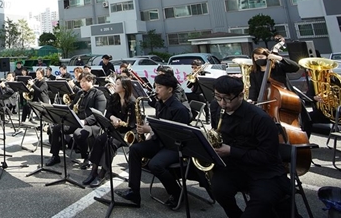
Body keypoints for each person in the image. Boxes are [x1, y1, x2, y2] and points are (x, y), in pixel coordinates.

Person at [210, 75, 293, 217]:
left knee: (260, 204)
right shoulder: (215, 107)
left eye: (227, 99)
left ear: (241, 95)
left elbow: (267, 156)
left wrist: (231, 151)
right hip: (235, 167)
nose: (222, 104)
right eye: (218, 97)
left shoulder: (260, 119)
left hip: (265, 171)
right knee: (218, 189)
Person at [115, 73, 191, 208]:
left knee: (155, 164)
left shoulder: (179, 110)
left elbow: (177, 136)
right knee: (134, 149)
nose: (156, 90)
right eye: (155, 86)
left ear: (170, 90)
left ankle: (177, 193)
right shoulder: (160, 103)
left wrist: (149, 130)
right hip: (161, 142)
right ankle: (134, 191)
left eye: (159, 87)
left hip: (175, 147)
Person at [83, 76, 136, 186]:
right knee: (99, 140)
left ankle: (103, 173)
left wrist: (120, 123)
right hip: (114, 127)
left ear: (124, 87)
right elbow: (108, 113)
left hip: (126, 132)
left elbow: (132, 124)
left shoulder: (132, 102)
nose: (114, 86)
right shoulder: (114, 97)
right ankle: (94, 170)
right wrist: (114, 119)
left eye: (117, 84)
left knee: (110, 144)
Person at [46, 73, 107, 169]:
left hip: (92, 124)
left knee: (78, 134)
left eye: (84, 82)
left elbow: (99, 113)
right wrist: (62, 112)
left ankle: (87, 157)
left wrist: (85, 121)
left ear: (90, 81)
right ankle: (55, 155)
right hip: (77, 120)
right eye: (80, 82)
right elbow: (72, 106)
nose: (81, 84)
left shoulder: (98, 94)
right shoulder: (80, 93)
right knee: (57, 128)